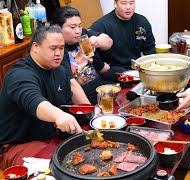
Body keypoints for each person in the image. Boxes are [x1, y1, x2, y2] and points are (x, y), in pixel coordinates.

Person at [0, 26, 86, 169]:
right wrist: (59, 115)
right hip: (17, 144)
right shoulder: (20, 74)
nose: (58, 53)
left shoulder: (60, 72)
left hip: (52, 136)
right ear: (35, 47)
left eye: (62, 48)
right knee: (61, 167)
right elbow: (34, 101)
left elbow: (66, 105)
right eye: (53, 48)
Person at [51, 6, 113, 104]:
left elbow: (109, 41)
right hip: (84, 99)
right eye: (72, 27)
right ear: (58, 28)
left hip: (100, 90)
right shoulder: (58, 50)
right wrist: (91, 111)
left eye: (79, 26)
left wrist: (98, 41)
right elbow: (72, 86)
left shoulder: (82, 35)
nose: (78, 31)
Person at [89, 0, 156, 82]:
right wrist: (102, 67)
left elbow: (150, 49)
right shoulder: (102, 25)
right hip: (113, 72)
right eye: (124, 3)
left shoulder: (142, 21)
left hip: (136, 70)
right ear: (115, 4)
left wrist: (153, 68)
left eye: (131, 3)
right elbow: (90, 52)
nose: (128, 7)